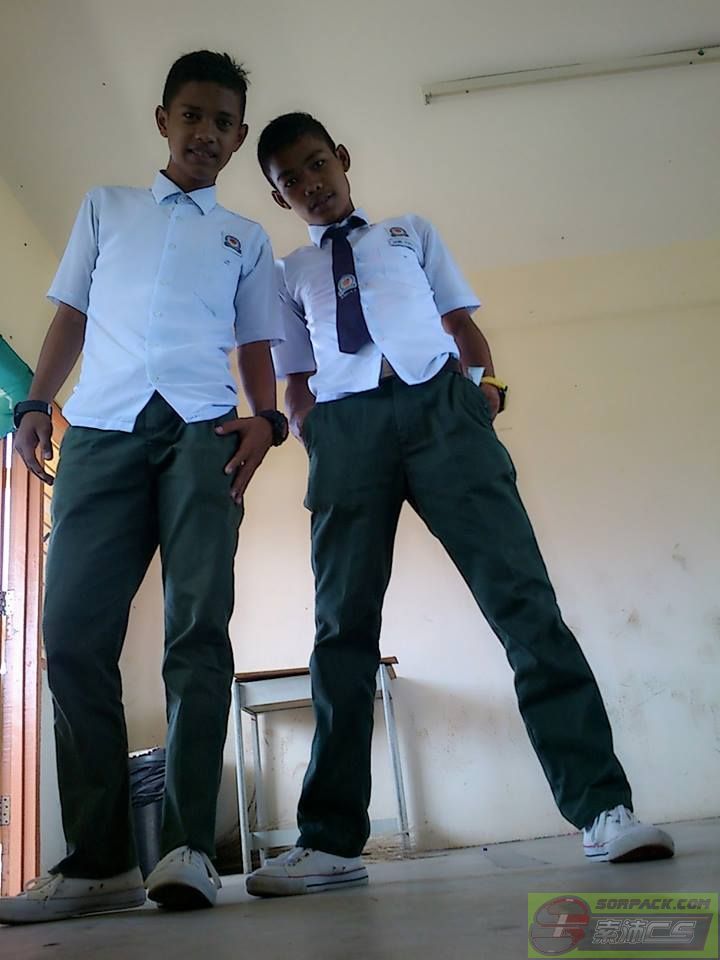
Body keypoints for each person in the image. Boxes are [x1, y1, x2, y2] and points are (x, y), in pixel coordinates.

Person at [242, 112, 674, 897]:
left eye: (317, 164)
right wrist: (316, 433)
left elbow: (461, 324)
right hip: (346, 430)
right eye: (291, 181)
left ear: (342, 158)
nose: (311, 185)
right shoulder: (287, 273)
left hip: (443, 410)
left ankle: (602, 809)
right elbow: (294, 376)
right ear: (280, 199)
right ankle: (330, 843)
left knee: (524, 603)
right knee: (343, 630)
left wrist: (485, 393)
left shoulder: (408, 233)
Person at [0, 51, 288, 925]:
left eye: (223, 122)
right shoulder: (106, 208)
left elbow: (255, 345)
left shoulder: (247, 237)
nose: (206, 133)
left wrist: (268, 420)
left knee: (197, 631)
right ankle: (99, 862)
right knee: (70, 633)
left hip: (203, 434)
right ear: (164, 120)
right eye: (192, 115)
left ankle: (189, 849)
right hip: (101, 432)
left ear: (238, 137)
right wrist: (35, 402)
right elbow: (72, 315)